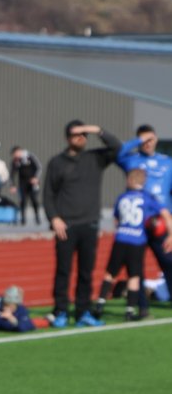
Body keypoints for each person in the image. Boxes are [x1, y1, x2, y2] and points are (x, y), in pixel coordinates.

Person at [43, 120, 121, 328]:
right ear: (67, 137)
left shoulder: (95, 158)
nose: (81, 138)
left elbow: (117, 147)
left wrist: (96, 130)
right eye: (76, 135)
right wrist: (54, 218)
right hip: (66, 226)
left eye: (84, 135)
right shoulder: (57, 162)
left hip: (89, 224)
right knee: (63, 271)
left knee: (86, 272)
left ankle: (82, 312)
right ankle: (60, 311)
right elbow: (48, 194)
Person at [95, 168, 172, 321]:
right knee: (134, 276)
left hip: (121, 239)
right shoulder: (147, 197)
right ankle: (130, 311)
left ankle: (100, 304)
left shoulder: (122, 197)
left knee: (110, 273)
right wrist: (170, 235)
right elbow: (165, 214)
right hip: (137, 241)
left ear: (129, 180)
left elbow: (116, 219)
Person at [115, 124, 172, 296]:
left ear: (156, 139)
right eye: (144, 140)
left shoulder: (167, 162)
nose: (148, 143)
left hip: (160, 222)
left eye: (150, 139)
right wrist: (137, 140)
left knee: (168, 261)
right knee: (135, 266)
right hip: (137, 223)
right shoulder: (131, 160)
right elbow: (117, 152)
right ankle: (140, 303)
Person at [10, 146, 43, 225]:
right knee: (23, 201)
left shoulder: (30, 156)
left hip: (33, 183)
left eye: (16, 153)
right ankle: (23, 219)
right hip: (23, 183)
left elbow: (39, 167)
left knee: (34, 200)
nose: (15, 156)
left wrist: (36, 178)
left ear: (19, 151)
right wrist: (13, 185)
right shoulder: (16, 161)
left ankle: (37, 217)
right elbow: (12, 173)